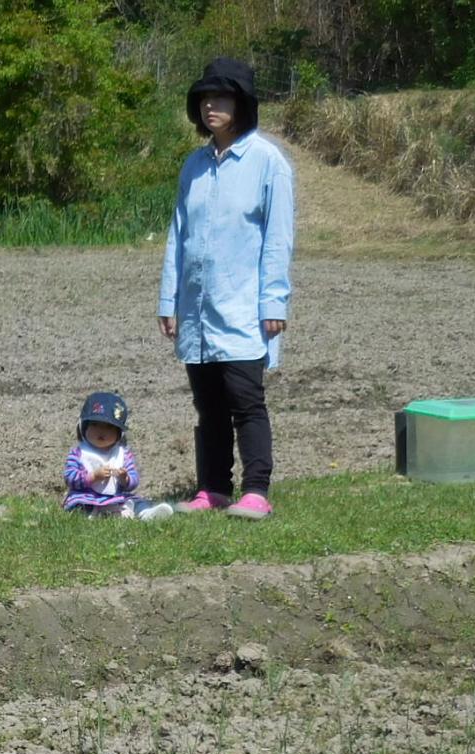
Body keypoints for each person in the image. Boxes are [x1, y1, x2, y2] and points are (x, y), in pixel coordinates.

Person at [157, 56, 296, 521]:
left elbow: (277, 240)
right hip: (196, 310)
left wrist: (273, 302)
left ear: (242, 104)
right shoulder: (193, 166)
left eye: (220, 97)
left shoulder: (267, 163)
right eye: (203, 99)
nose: (209, 106)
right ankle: (213, 487)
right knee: (208, 406)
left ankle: (256, 490)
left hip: (242, 308)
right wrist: (168, 300)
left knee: (245, 401)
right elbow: (179, 235)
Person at [62, 391, 174, 520]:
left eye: (109, 427)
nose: (101, 431)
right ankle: (95, 514)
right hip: (87, 496)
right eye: (94, 424)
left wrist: (125, 478)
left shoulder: (123, 454)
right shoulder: (79, 453)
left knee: (136, 501)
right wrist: (92, 476)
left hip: (116, 497)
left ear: (119, 433)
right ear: (83, 426)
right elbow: (69, 478)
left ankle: (146, 514)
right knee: (79, 503)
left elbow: (134, 480)